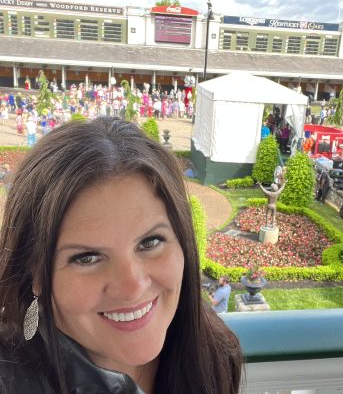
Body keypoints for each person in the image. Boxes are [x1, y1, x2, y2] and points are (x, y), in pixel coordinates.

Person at [0, 117, 243, 393]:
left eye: (150, 242)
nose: (132, 287)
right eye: (87, 257)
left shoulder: (215, 353)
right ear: (36, 274)